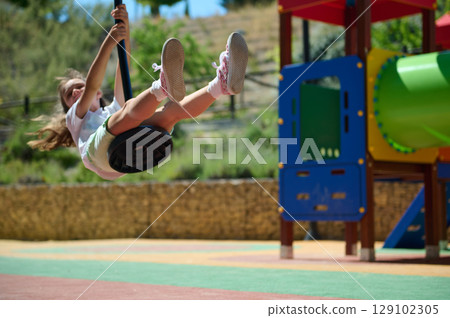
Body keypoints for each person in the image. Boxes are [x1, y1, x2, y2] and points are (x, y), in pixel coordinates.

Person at [28, 4, 248, 180]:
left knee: (169, 113)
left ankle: (220, 86)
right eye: (70, 94)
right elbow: (93, 85)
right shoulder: (75, 119)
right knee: (126, 112)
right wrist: (109, 41)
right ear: (69, 106)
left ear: (98, 96)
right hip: (101, 157)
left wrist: (125, 28)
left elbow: (124, 70)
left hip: (128, 153)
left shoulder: (111, 110)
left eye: (79, 86)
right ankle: (163, 87)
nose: (76, 91)